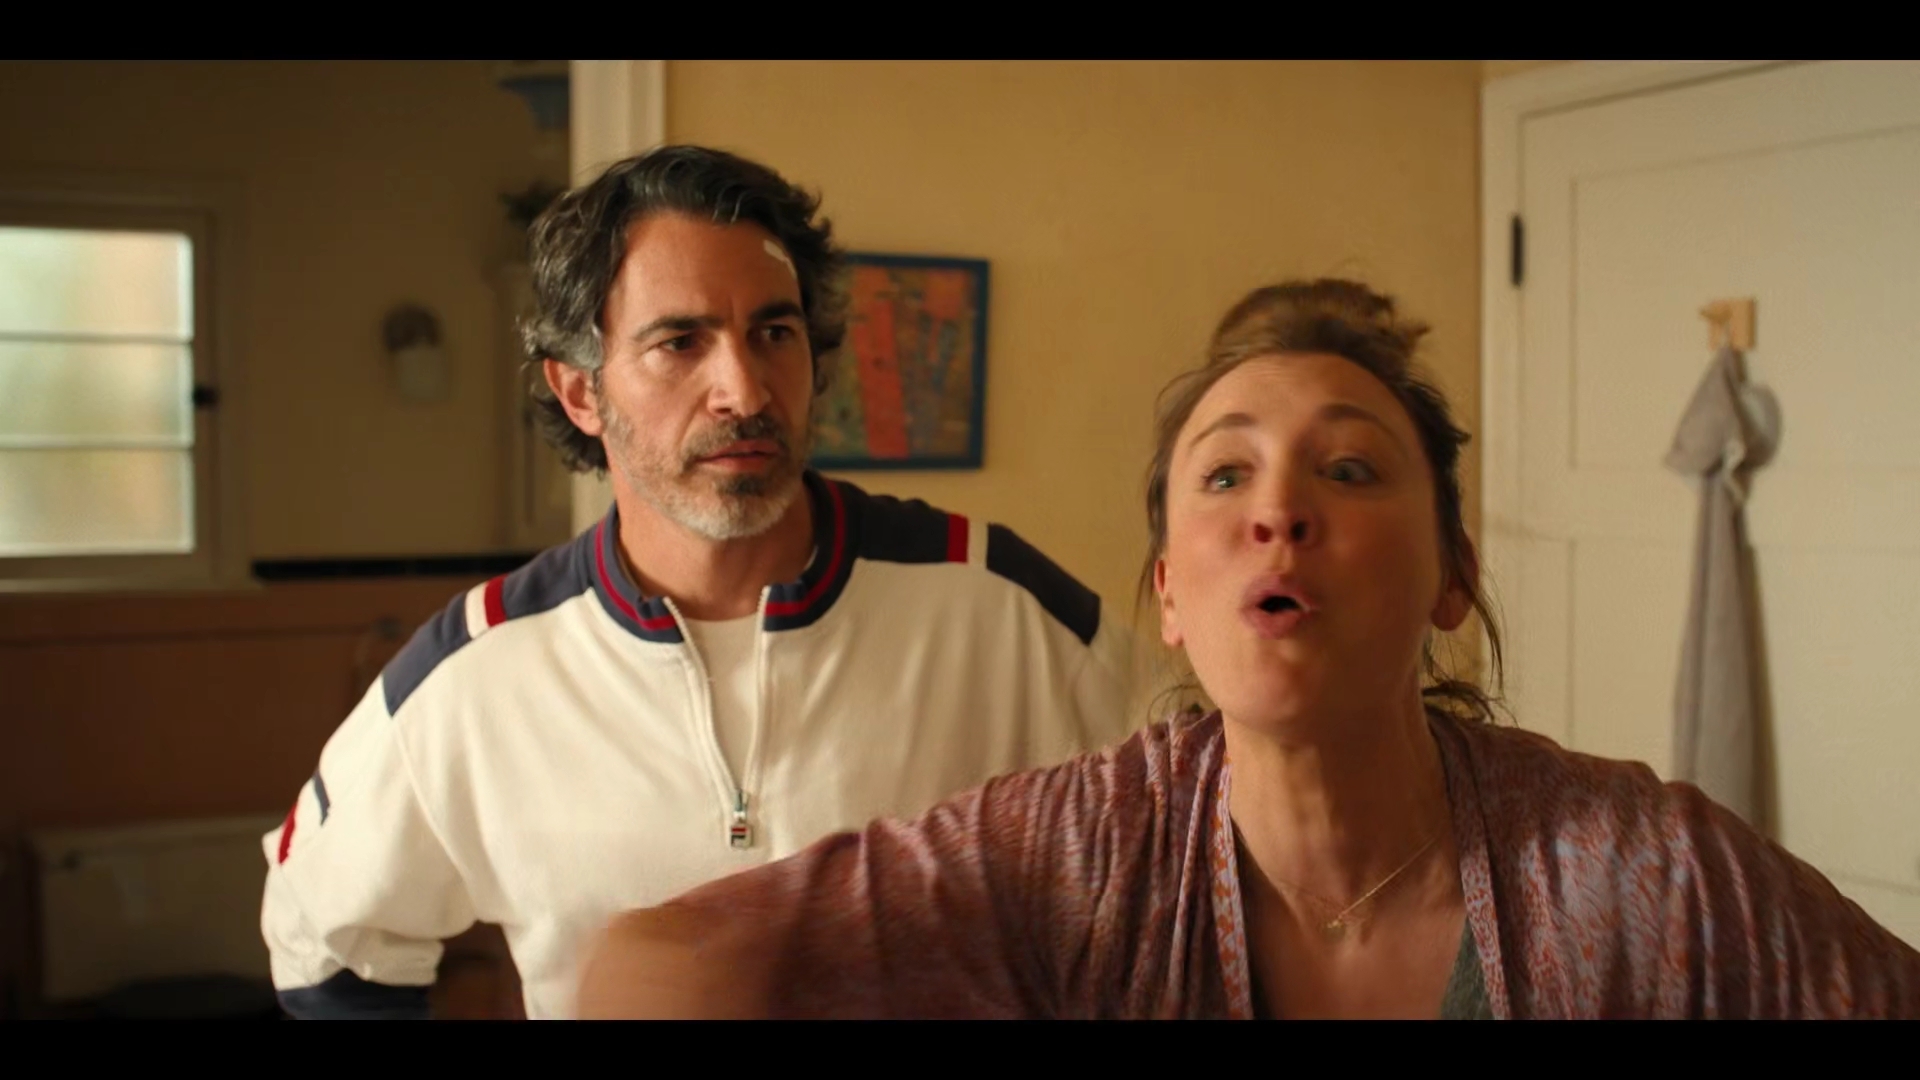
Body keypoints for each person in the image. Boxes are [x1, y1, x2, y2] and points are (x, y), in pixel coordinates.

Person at [577, 279, 1920, 1020]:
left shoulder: (1639, 873)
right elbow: (662, 961)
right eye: (1224, 477)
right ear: (1170, 593)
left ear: (1454, 577)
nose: (1279, 511)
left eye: (1350, 467)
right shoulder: (1079, 856)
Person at [259, 145, 1139, 1020]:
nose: (744, 392)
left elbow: (1194, 834)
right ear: (580, 393)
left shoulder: (996, 602)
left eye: (775, 334)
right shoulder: (473, 675)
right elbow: (321, 944)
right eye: (680, 342)